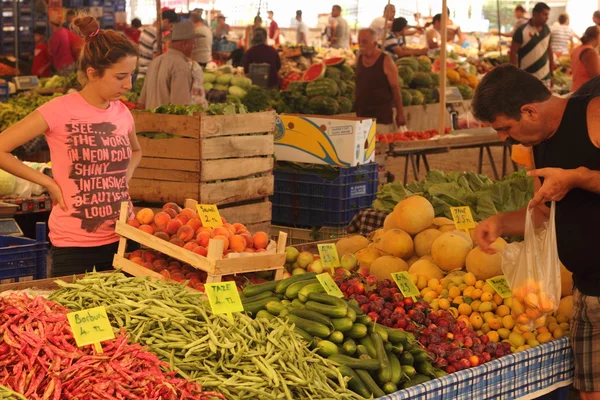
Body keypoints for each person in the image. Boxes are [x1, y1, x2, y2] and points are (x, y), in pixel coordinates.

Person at [471, 63, 600, 400]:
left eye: (504, 127)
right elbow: (542, 212)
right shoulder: (539, 141)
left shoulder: (593, 114)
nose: (502, 138)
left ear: (529, 111)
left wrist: (579, 177)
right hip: (586, 289)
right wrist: (500, 223)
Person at [0, 14, 141, 277]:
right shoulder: (58, 110)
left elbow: (136, 150)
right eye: (120, 76)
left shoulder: (122, 112)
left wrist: (124, 177)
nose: (128, 84)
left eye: (132, 75)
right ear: (92, 73)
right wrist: (49, 183)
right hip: (75, 245)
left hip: (125, 237)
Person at [355, 28, 406, 134]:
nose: (361, 44)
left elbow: (395, 89)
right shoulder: (359, 57)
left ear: (374, 43)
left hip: (381, 119)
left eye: (364, 41)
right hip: (362, 117)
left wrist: (400, 113)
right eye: (359, 41)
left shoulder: (386, 60)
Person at [138, 21, 198, 110]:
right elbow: (180, 107)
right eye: (193, 44)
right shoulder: (180, 65)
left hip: (151, 120)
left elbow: (141, 103)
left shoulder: (155, 62)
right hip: (168, 122)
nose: (194, 47)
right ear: (184, 43)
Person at [510, 2, 555, 82]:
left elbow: (549, 51)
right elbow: (513, 53)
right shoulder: (521, 31)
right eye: (544, 14)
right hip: (527, 78)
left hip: (545, 77)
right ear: (535, 14)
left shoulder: (547, 30)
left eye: (547, 15)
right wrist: (514, 74)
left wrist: (551, 73)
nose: (547, 17)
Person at [137, 9, 179, 78]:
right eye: (171, 26)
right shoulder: (158, 36)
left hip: (141, 73)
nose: (170, 29)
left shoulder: (146, 30)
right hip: (149, 75)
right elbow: (156, 61)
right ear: (166, 21)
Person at [570, 26, 600, 92]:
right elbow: (597, 79)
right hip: (586, 95)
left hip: (576, 91)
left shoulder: (577, 50)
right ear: (597, 36)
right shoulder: (590, 52)